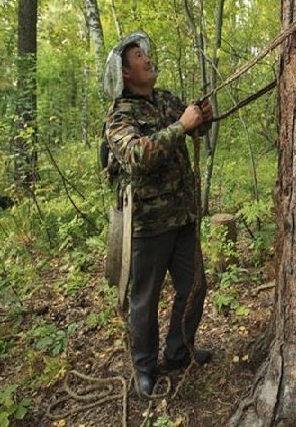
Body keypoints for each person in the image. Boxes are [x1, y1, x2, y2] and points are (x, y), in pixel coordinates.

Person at [102, 31, 213, 396]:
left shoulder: (165, 99)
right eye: (137, 56)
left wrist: (201, 118)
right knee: (145, 301)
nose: (146, 58)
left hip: (182, 216)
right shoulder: (119, 117)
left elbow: (193, 130)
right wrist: (182, 125)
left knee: (195, 286)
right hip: (147, 226)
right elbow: (138, 156)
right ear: (126, 73)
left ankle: (179, 352)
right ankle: (145, 368)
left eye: (145, 53)